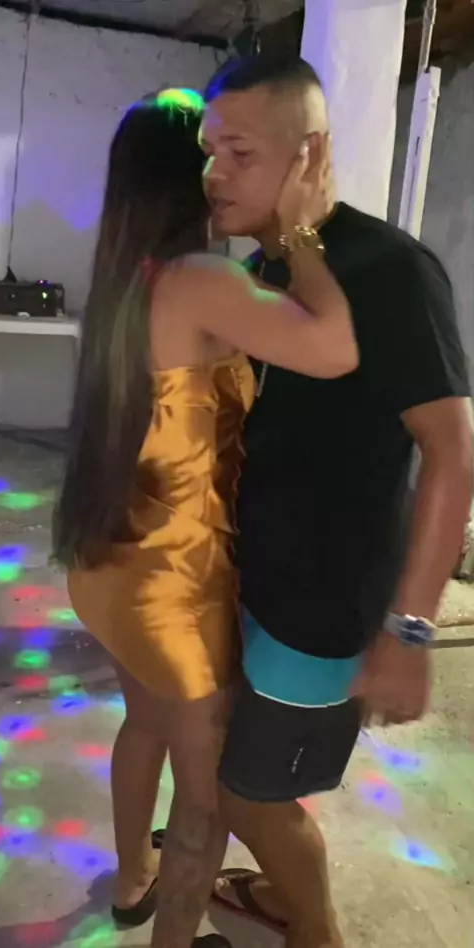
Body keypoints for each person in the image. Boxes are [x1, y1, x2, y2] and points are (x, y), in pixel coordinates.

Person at [52, 87, 358, 948]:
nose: (226, 170)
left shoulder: (129, 278)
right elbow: (336, 348)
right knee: (204, 797)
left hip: (114, 563)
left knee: (144, 723)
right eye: (217, 154)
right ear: (187, 179)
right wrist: (302, 229)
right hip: (177, 584)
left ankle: (131, 882)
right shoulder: (202, 281)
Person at [199, 56, 473, 948]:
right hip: (256, 578)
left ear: (308, 154)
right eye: (209, 151)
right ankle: (285, 896)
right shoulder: (266, 268)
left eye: (240, 153)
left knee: (250, 793)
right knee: (246, 767)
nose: (214, 173)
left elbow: (453, 451)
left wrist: (411, 630)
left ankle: (317, 931)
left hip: (323, 606)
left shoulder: (389, 269)